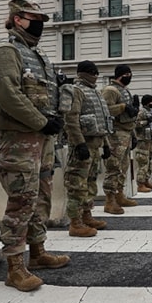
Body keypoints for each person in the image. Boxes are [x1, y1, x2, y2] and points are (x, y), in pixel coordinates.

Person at [0, 0, 70, 292]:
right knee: (21, 200)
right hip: (21, 138)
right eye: (35, 20)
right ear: (18, 19)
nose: (39, 25)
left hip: (43, 139)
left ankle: (37, 252)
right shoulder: (6, 52)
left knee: (42, 196)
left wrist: (52, 123)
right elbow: (7, 94)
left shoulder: (39, 56)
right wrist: (41, 122)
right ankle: (14, 266)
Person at [59, 61, 113, 235]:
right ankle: (75, 222)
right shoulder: (74, 90)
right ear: (81, 73)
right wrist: (79, 143)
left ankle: (86, 215)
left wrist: (106, 144)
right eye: (91, 72)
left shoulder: (96, 92)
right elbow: (71, 119)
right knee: (77, 185)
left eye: (96, 71)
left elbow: (101, 121)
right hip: (82, 145)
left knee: (89, 183)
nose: (95, 75)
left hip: (95, 145)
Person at [101, 64, 139, 214]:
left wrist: (134, 135)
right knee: (113, 167)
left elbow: (130, 116)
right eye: (127, 74)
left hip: (126, 133)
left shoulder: (124, 91)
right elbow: (106, 110)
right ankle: (109, 200)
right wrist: (123, 107)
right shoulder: (110, 90)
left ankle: (119, 194)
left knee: (123, 167)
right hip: (115, 134)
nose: (129, 76)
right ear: (120, 75)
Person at [134, 95, 152, 192]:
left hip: (149, 140)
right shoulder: (141, 112)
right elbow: (136, 124)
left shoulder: (150, 112)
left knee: (150, 161)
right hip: (143, 141)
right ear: (147, 102)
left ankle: (146, 181)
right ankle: (140, 184)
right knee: (143, 162)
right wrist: (146, 122)